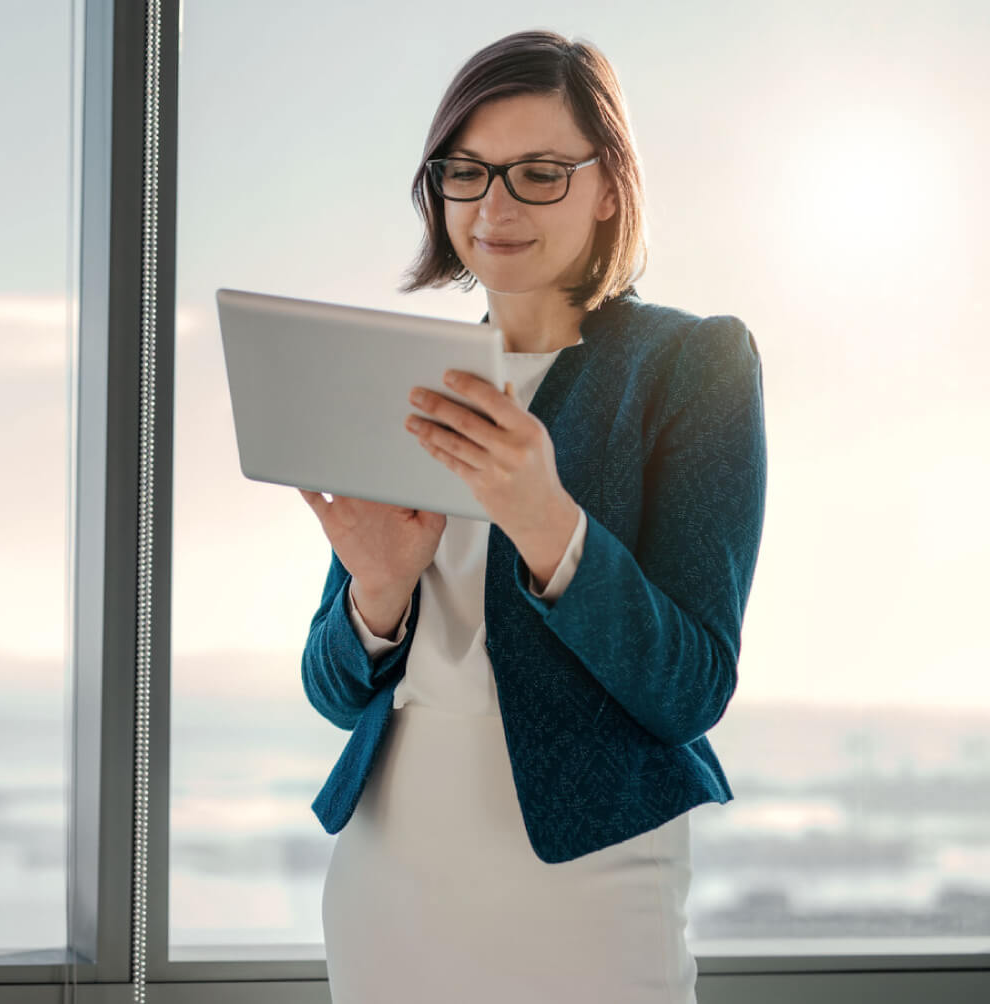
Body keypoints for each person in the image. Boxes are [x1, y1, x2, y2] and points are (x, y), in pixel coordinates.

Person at [297, 29, 767, 1003]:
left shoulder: (690, 365)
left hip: (583, 896)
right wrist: (376, 593)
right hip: (389, 885)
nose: (494, 205)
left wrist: (547, 521)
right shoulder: (407, 372)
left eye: (538, 173)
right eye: (465, 172)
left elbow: (690, 683)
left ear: (608, 186)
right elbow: (334, 689)